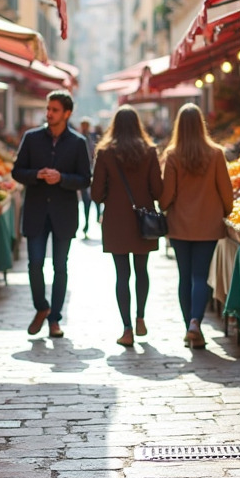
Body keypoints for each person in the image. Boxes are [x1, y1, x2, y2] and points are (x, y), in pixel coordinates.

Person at [11, 90, 91, 338]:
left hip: (63, 214)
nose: (49, 113)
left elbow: (85, 179)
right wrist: (35, 174)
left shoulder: (78, 142)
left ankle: (55, 319)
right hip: (36, 212)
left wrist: (62, 178)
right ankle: (41, 307)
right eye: (48, 109)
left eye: (54, 110)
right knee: (34, 264)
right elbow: (16, 171)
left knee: (60, 267)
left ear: (67, 113)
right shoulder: (31, 138)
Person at [158, 103, 233, 349]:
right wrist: (225, 212)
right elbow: (227, 193)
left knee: (185, 276)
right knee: (201, 276)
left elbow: (166, 197)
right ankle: (195, 323)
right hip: (208, 225)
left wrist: (164, 206)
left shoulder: (172, 155)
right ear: (201, 125)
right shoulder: (216, 153)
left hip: (179, 225)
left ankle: (188, 326)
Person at [90, 106, 163, 347]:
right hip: (143, 222)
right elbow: (158, 190)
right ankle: (140, 317)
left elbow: (96, 194)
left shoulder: (105, 153)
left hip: (116, 221)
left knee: (122, 275)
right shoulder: (150, 152)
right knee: (142, 271)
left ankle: (127, 329)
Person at [78, 117, 99, 237]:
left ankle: (96, 217)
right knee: (86, 200)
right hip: (84, 173)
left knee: (93, 197)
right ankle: (86, 224)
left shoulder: (91, 137)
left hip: (92, 171)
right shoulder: (78, 138)